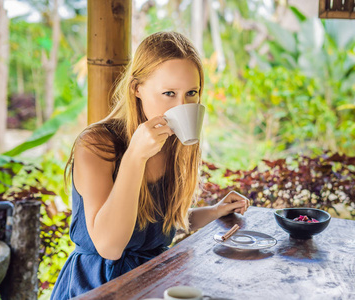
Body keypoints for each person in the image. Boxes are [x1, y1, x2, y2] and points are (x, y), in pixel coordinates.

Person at [51, 31, 250, 299]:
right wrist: (135, 157)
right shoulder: (97, 145)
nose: (182, 105)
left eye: (191, 93)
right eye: (169, 93)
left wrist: (215, 211)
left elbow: (159, 225)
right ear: (137, 89)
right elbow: (110, 247)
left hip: (156, 279)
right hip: (98, 285)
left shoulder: (174, 144)